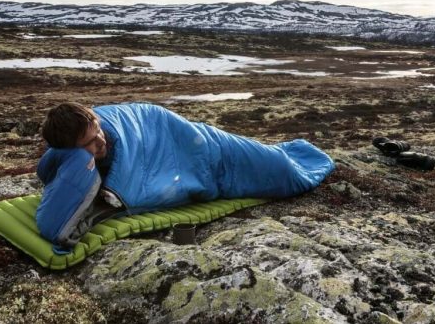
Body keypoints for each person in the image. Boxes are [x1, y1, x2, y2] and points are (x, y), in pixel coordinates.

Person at [35, 101, 335, 250]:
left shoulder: (101, 128)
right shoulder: (71, 158)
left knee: (283, 168)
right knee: (276, 168)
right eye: (89, 143)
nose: (100, 140)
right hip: (194, 162)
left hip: (194, 141)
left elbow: (137, 124)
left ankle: (301, 153)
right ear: (69, 152)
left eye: (98, 130)